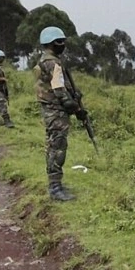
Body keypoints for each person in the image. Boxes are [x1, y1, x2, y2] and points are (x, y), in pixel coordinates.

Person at [34, 26, 86, 201]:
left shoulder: (46, 61)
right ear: (50, 43)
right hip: (56, 111)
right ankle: (55, 188)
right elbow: (60, 91)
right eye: (59, 42)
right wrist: (76, 109)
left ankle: (54, 183)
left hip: (50, 110)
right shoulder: (53, 63)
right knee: (58, 147)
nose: (62, 45)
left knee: (52, 146)